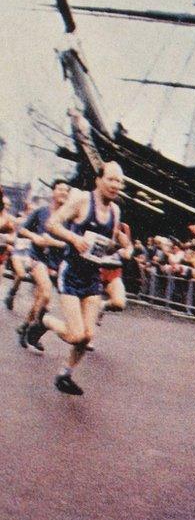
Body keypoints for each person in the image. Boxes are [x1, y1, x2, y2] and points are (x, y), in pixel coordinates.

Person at [35, 162, 131, 395]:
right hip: (71, 273)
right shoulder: (81, 200)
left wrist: (118, 246)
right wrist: (74, 239)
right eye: (111, 179)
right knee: (76, 334)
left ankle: (65, 375)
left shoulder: (115, 211)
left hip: (92, 275)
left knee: (87, 336)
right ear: (98, 180)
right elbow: (52, 224)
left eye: (119, 181)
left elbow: (108, 242)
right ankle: (44, 321)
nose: (115, 185)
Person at [16, 179, 71, 352]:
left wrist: (53, 242)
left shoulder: (69, 219)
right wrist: (35, 238)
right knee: (46, 293)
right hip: (37, 258)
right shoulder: (41, 211)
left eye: (66, 191)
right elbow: (22, 229)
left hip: (55, 263)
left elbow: (70, 244)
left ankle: (25, 327)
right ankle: (30, 330)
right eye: (60, 189)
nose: (63, 193)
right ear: (53, 192)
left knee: (42, 301)